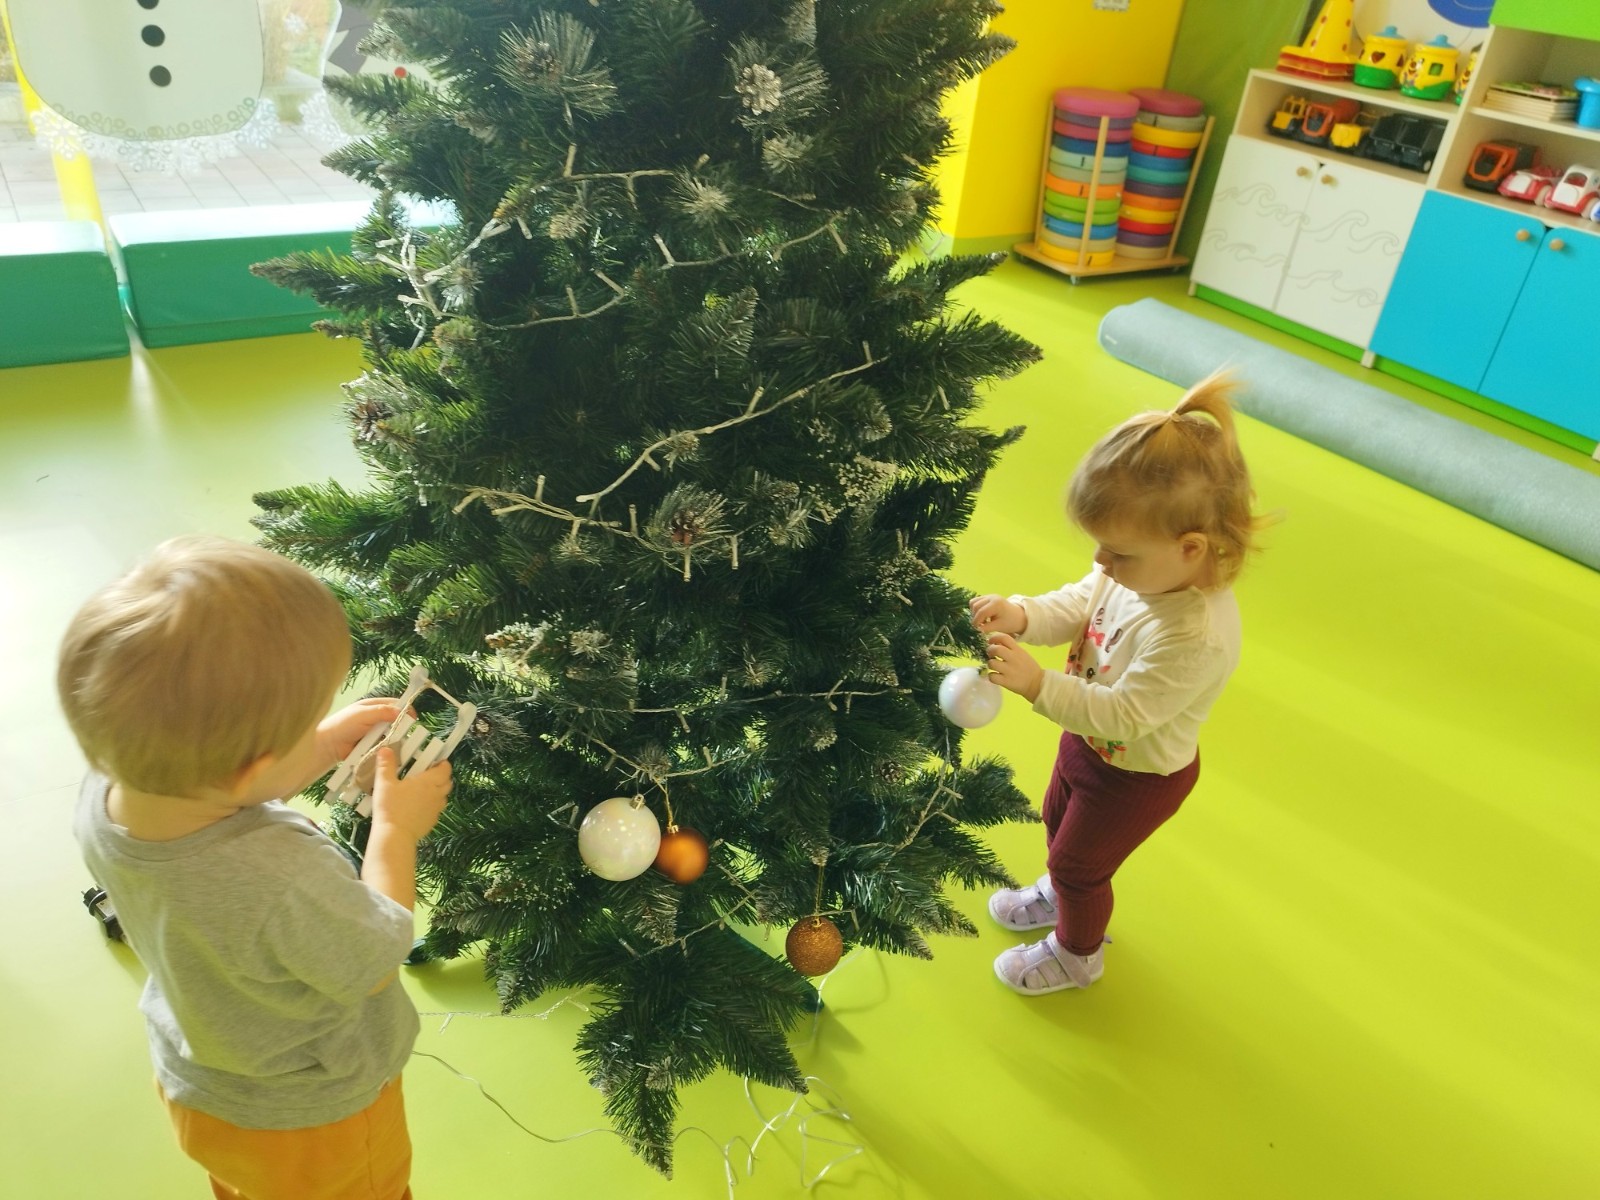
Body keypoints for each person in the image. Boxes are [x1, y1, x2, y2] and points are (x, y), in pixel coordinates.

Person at [58, 535, 453, 1199]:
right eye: (308, 722)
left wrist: (315, 745)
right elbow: (377, 959)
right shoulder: (281, 874)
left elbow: (218, 783)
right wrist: (396, 828)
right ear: (252, 769)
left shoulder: (106, 794)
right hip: (314, 1121)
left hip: (203, 1090)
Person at [972, 372, 1261, 996]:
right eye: (1099, 546)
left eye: (1118, 552)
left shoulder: (1196, 634)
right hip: (1085, 738)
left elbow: (1127, 714)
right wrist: (1022, 614)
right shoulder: (1133, 569)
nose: (1102, 562)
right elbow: (1079, 603)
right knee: (1057, 824)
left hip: (1136, 776)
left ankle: (1077, 954)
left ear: (1191, 548)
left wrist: (1036, 684)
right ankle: (1061, 890)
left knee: (1082, 867)